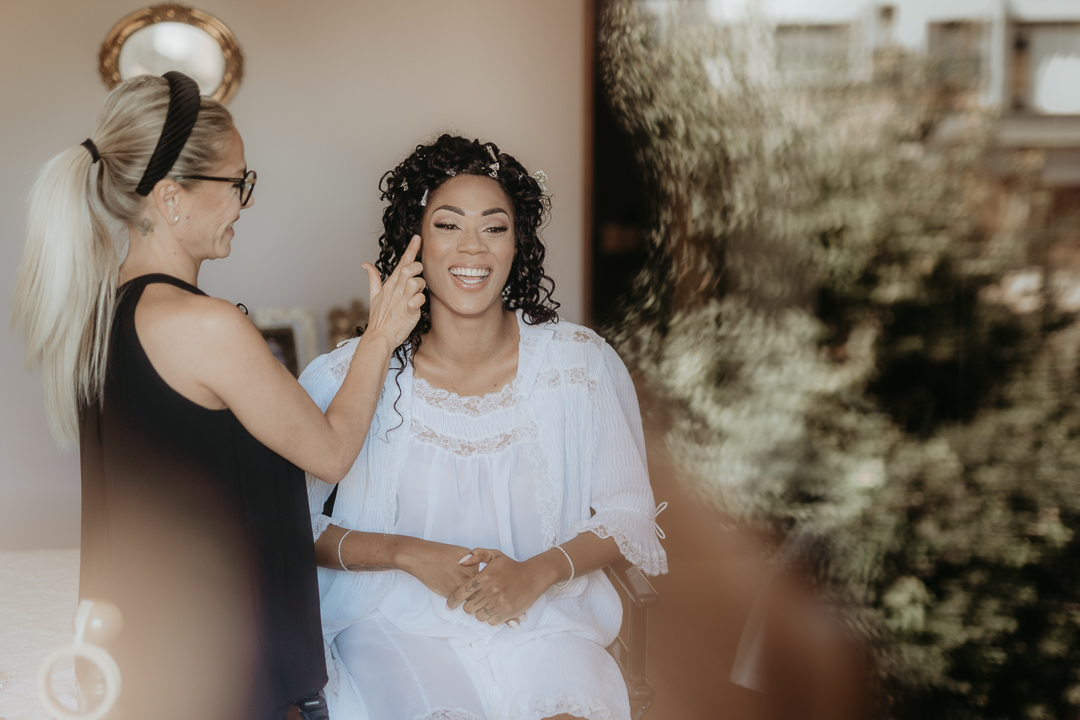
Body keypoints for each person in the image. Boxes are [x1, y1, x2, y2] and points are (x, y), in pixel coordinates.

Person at [11, 72, 425, 720]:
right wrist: (382, 335)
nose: (245, 202)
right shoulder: (204, 328)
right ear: (172, 198)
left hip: (148, 662)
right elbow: (334, 452)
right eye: (238, 183)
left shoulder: (95, 316)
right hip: (225, 678)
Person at [301, 135, 668, 720]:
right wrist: (407, 554)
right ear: (414, 242)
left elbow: (627, 513)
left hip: (547, 623)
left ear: (517, 244)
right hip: (392, 624)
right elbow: (292, 524)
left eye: (494, 227)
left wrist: (536, 574)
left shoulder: (579, 366)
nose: (472, 247)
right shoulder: (347, 374)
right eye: (449, 225)